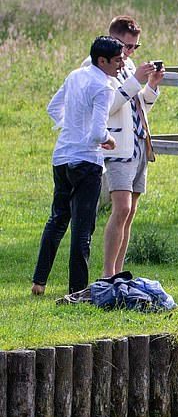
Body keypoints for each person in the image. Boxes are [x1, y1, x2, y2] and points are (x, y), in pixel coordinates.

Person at [32, 36, 121, 296]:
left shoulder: (75, 75)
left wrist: (71, 129)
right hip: (87, 161)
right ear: (102, 60)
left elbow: (53, 108)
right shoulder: (104, 86)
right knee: (83, 229)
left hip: (61, 157)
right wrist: (109, 139)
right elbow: (97, 133)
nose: (121, 64)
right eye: (117, 60)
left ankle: (39, 282)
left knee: (57, 220)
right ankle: (77, 290)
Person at [98, 15, 163, 278]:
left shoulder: (130, 65)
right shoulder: (99, 65)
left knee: (131, 211)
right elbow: (109, 106)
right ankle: (107, 274)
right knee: (121, 207)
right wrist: (135, 80)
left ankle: (118, 271)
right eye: (127, 46)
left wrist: (151, 87)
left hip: (138, 142)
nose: (130, 52)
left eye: (135, 47)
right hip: (117, 145)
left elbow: (138, 106)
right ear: (113, 40)